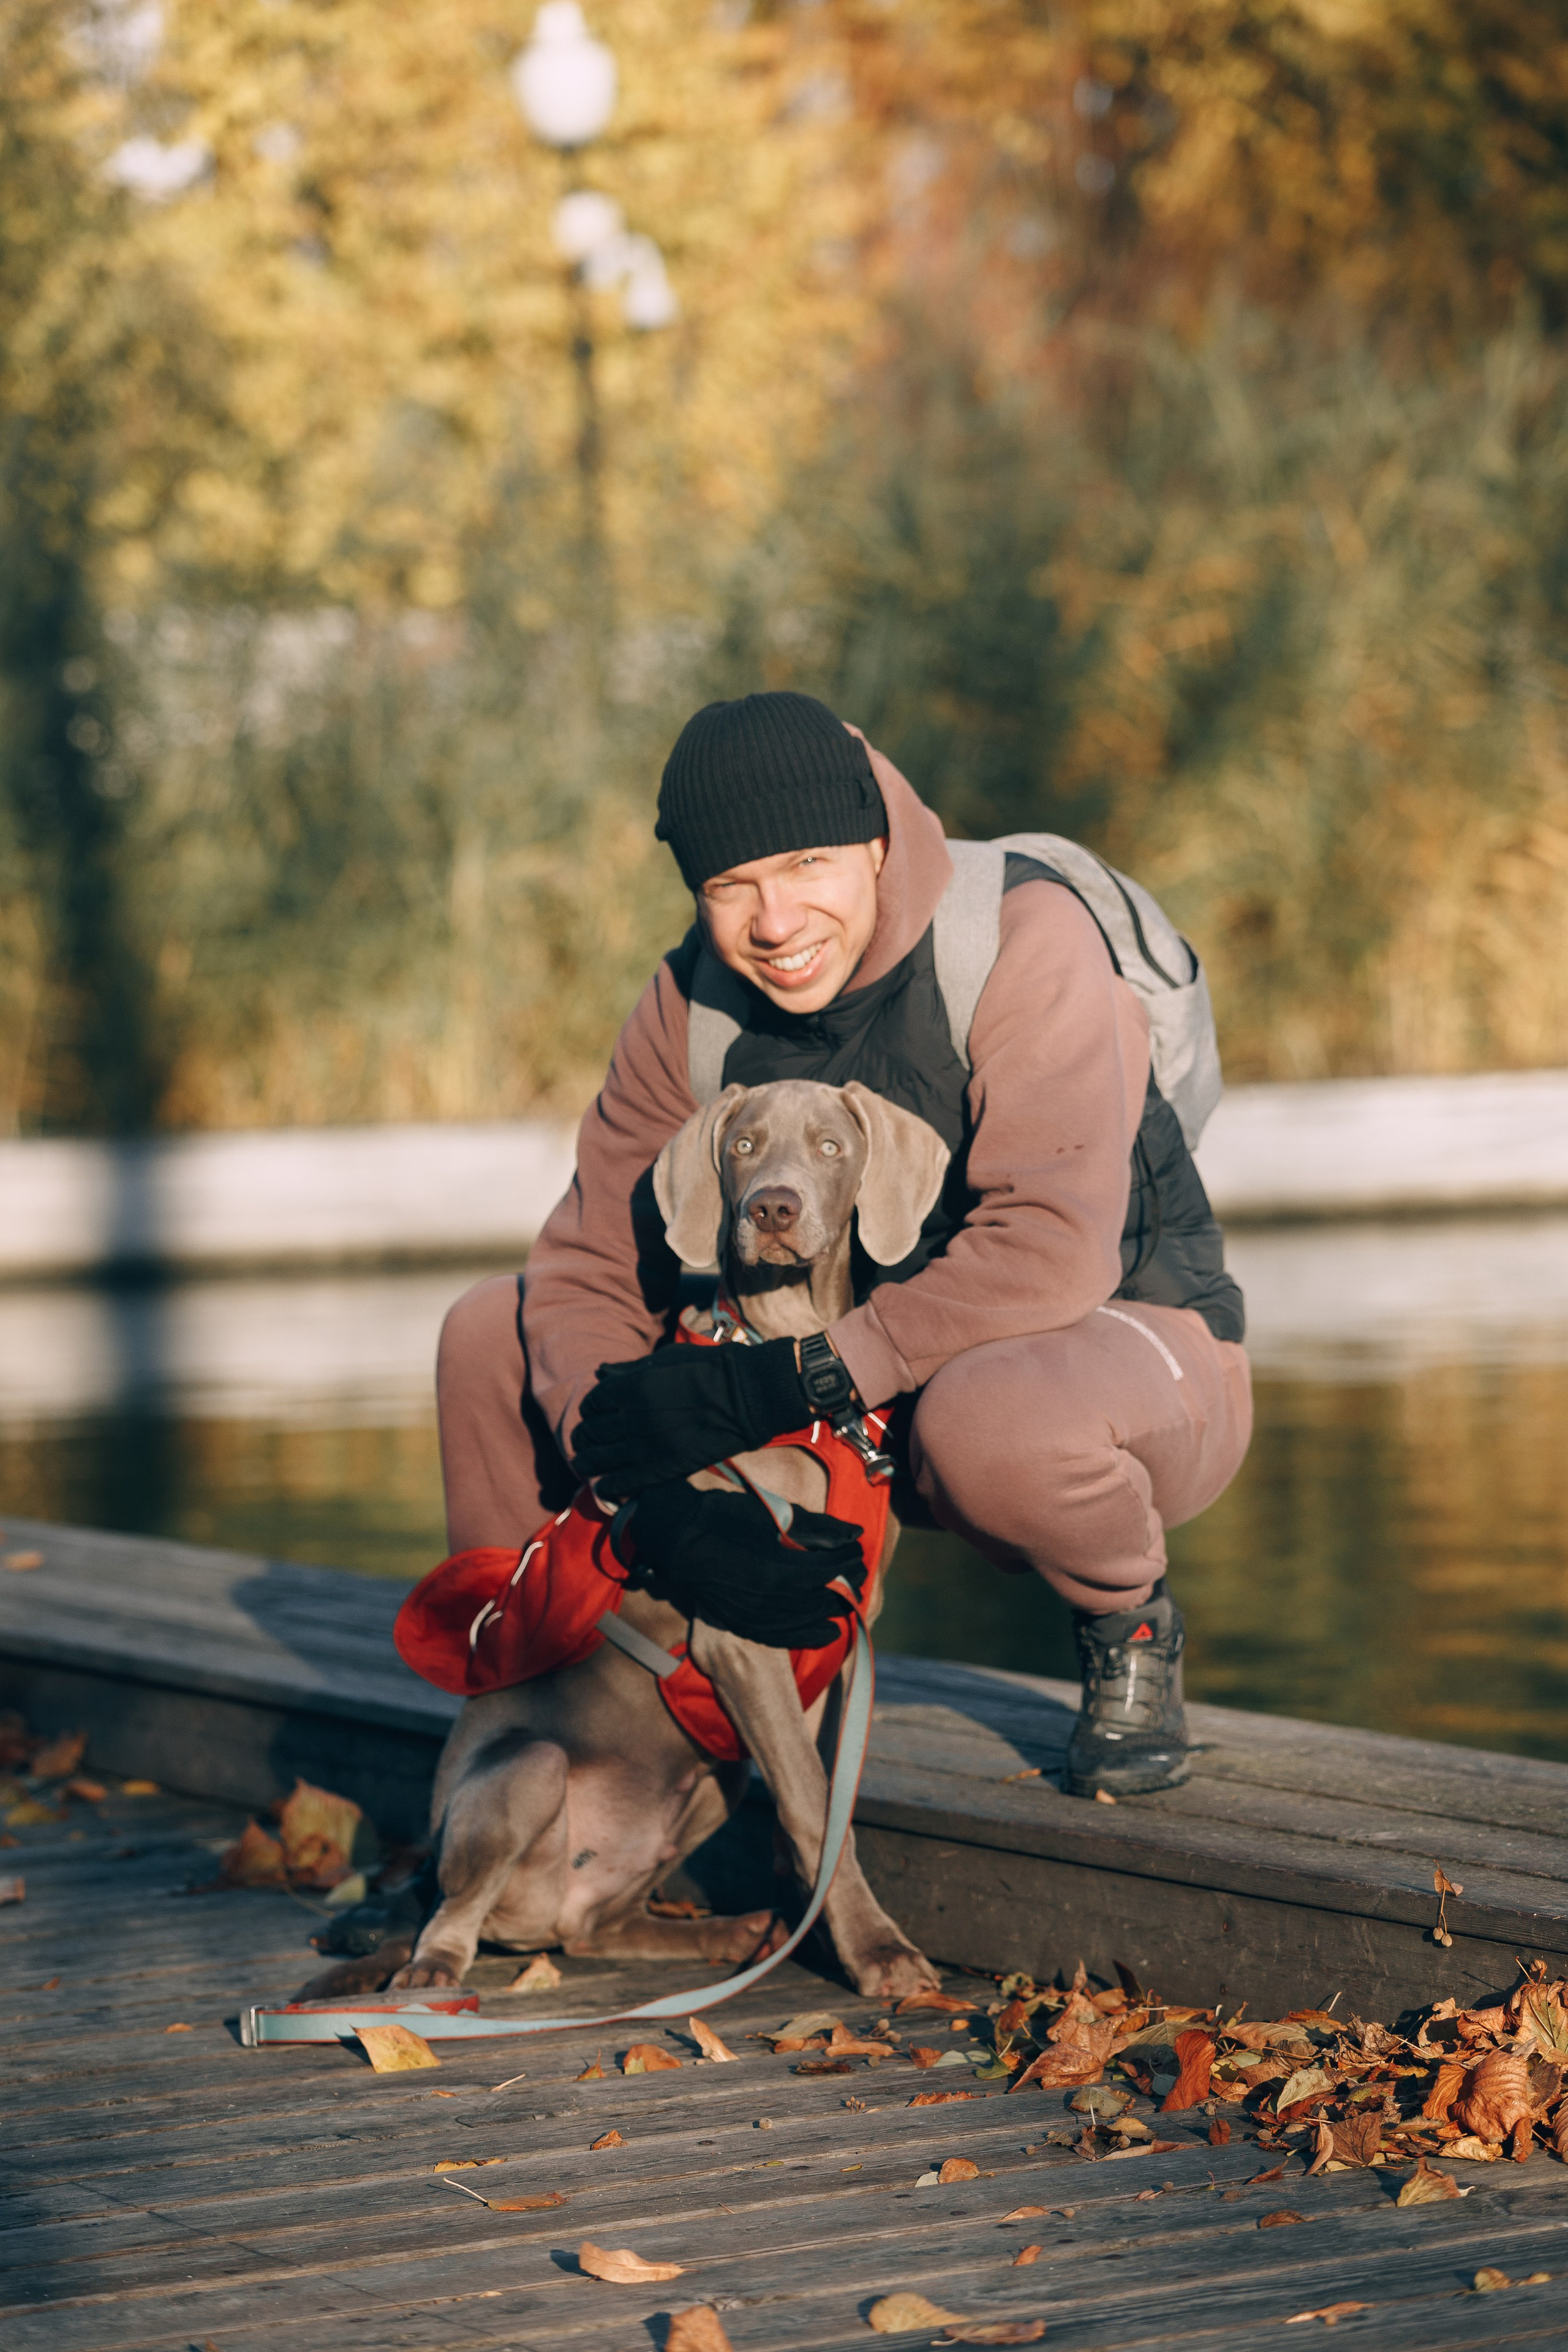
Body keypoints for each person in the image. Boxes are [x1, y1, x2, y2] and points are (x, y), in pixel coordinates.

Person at [436, 691, 1252, 1795]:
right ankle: (531, 1726)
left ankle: (1129, 1625)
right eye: (732, 886)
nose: (775, 922)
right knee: (492, 1331)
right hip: (839, 1389)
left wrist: (791, 1383)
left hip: (1112, 1353)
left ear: (875, 844)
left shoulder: (1021, 937)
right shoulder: (693, 1005)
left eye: (809, 864)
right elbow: (585, 1266)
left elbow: (1049, 1248)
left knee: (993, 1418)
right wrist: (651, 1502)